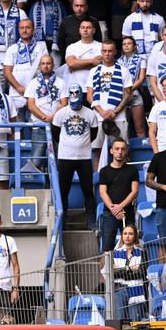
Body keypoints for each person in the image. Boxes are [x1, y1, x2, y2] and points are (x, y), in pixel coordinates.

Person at [52, 85, 99, 225]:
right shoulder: (60, 114)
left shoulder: (90, 114)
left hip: (84, 158)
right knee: (63, 190)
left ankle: (90, 219)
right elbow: (56, 134)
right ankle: (63, 218)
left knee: (87, 190)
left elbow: (94, 134)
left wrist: (81, 145)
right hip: (65, 157)